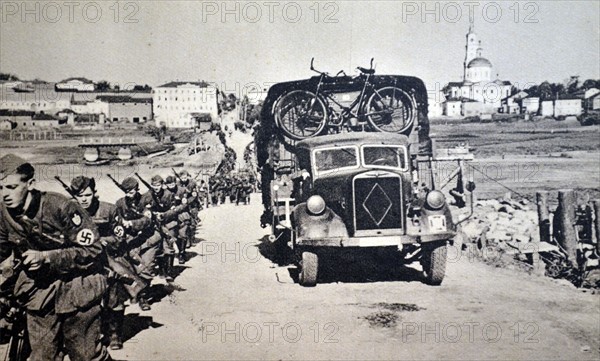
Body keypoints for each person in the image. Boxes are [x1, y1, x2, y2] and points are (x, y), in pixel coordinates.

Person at [0, 154, 111, 361]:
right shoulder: (4, 214)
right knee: (42, 356)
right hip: (40, 293)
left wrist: (48, 257)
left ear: (30, 184)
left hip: (78, 289)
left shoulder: (60, 206)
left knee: (86, 355)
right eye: (0, 188)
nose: (4, 194)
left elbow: (94, 249)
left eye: (11, 187)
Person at [69, 176, 146, 350]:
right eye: (79, 196)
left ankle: (115, 334)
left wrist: (102, 241)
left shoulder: (109, 210)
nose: (84, 199)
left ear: (94, 193)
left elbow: (120, 236)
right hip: (85, 263)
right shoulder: (71, 212)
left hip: (110, 259)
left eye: (87, 195)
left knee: (114, 299)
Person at [114, 177, 158, 311]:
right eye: (126, 191)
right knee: (134, 267)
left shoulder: (146, 199)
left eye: (131, 191)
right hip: (131, 240)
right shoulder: (120, 203)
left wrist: (132, 224)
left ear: (137, 189)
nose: (129, 194)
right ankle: (139, 293)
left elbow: (147, 220)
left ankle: (144, 298)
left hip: (148, 238)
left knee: (148, 266)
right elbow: (117, 219)